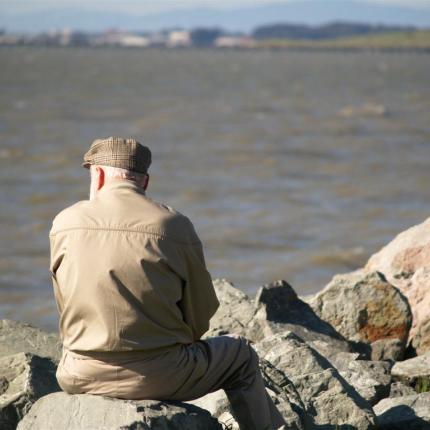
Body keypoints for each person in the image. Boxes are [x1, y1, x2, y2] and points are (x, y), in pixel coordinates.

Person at [49, 137, 286, 430]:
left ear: (97, 175)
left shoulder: (64, 222)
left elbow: (64, 302)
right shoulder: (172, 225)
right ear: (144, 181)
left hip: (78, 373)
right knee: (241, 356)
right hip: (160, 376)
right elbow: (201, 314)